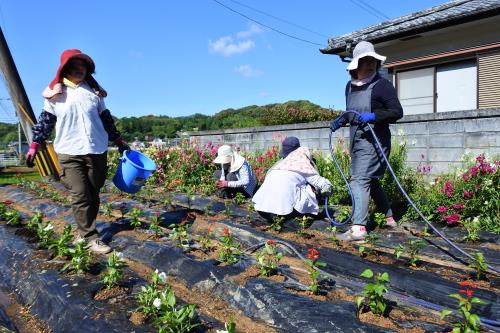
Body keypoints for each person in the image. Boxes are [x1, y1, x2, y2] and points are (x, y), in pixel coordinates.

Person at [25, 49, 130, 254]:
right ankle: (91, 237)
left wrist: (118, 140)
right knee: (80, 194)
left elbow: (106, 119)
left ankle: (83, 233)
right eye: (74, 66)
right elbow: (45, 123)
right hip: (69, 150)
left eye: (83, 66)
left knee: (93, 192)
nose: (79, 70)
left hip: (96, 149)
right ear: (65, 69)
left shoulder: (93, 92)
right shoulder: (55, 94)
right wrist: (34, 145)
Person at [331, 41, 403, 241]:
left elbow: (397, 112)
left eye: (373, 61)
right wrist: (342, 119)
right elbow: (352, 112)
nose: (370, 64)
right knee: (370, 179)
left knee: (360, 179)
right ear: (356, 65)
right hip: (357, 140)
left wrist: (374, 116)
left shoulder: (382, 85)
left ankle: (358, 229)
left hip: (375, 140)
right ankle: (389, 217)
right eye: (365, 61)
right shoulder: (350, 87)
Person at [252, 137, 332, 221]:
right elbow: (323, 184)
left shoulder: (278, 165)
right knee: (309, 188)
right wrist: (324, 191)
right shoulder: (303, 166)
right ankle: (304, 213)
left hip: (261, 209)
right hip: (285, 213)